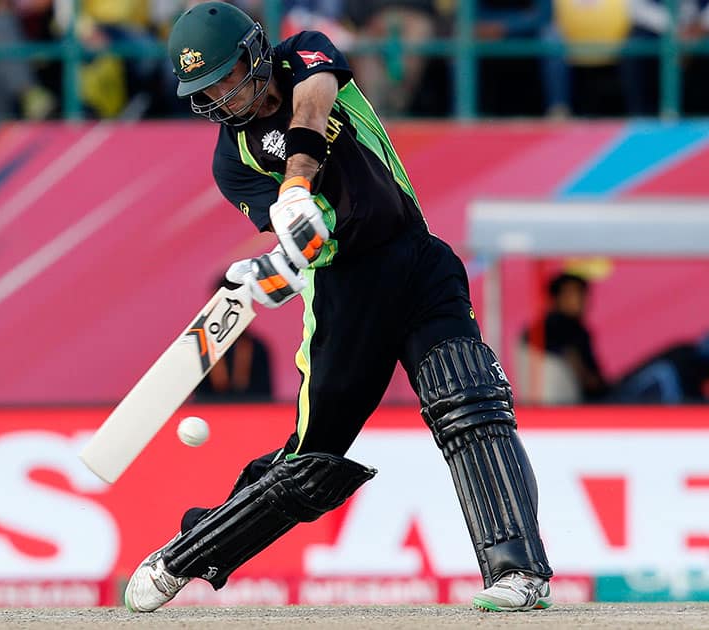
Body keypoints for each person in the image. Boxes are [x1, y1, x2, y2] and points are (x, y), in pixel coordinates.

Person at [124, 1, 553, 614]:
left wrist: (296, 184)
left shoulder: (306, 55)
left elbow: (314, 104)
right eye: (206, 88)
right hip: (345, 292)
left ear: (254, 52)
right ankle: (186, 555)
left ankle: (519, 572)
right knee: (311, 462)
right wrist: (281, 263)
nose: (221, 96)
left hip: (417, 258)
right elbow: (314, 239)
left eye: (225, 76)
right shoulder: (232, 162)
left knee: (471, 403)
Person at [522, 272, 608, 403]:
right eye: (572, 294)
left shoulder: (536, 332)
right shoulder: (561, 331)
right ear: (556, 298)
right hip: (568, 410)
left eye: (582, 294)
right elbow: (589, 379)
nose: (580, 300)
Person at [194, 274, 275, 402]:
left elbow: (265, 397)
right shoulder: (201, 347)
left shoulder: (257, 348)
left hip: (250, 416)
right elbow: (198, 397)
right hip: (210, 415)